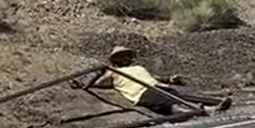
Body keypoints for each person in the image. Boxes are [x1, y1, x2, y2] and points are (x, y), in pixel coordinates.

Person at [86, 46, 231, 115]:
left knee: (180, 97)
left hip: (156, 85)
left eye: (127, 55)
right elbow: (99, 84)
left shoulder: (138, 67)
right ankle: (207, 110)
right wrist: (92, 79)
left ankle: (213, 104)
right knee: (171, 103)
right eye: (121, 56)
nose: (125, 58)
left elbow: (152, 77)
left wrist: (170, 79)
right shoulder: (112, 72)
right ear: (115, 60)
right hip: (142, 92)